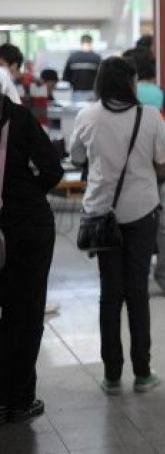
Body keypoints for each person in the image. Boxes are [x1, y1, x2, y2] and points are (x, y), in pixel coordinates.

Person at [69, 57, 165, 394]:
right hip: (142, 212)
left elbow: (76, 158)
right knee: (137, 291)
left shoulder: (87, 115)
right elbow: (164, 161)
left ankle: (112, 375)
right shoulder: (150, 116)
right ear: (129, 82)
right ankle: (142, 373)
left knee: (109, 295)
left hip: (103, 215)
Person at [0, 89, 64, 423]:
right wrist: (24, 192)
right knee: (24, 312)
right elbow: (53, 169)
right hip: (26, 225)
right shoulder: (21, 119)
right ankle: (19, 399)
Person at [122, 45, 165, 296]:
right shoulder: (159, 94)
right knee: (164, 225)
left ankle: (135, 279)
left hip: (128, 171)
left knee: (131, 226)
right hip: (156, 168)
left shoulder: (126, 93)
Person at [63, 33, 101, 102]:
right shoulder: (96, 58)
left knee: (77, 111)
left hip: (77, 91)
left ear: (81, 42)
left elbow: (66, 76)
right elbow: (101, 77)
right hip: (91, 92)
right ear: (91, 42)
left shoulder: (73, 57)